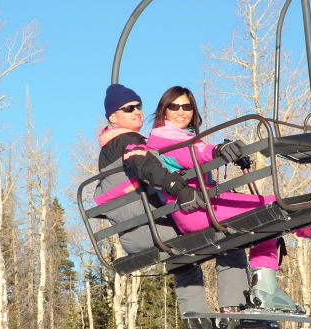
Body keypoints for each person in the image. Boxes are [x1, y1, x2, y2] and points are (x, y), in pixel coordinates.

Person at [146, 86, 311, 313]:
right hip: (197, 211)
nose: (181, 111)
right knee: (274, 205)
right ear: (163, 111)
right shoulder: (164, 138)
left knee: (267, 222)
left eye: (186, 106)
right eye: (173, 106)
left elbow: (196, 154)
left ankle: (265, 289)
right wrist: (217, 151)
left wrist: (221, 153)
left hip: (204, 208)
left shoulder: (182, 137)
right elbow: (193, 155)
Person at [93, 84, 247, 317]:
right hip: (153, 228)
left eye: (139, 106)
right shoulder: (128, 140)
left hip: (135, 234)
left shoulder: (109, 149)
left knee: (184, 260)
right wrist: (177, 188)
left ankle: (196, 319)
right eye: (129, 108)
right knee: (227, 233)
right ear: (113, 117)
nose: (137, 111)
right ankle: (235, 310)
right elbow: (144, 165)